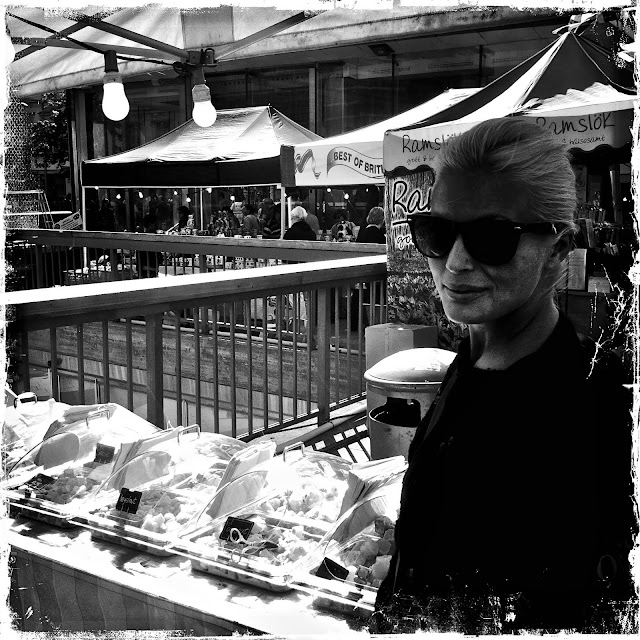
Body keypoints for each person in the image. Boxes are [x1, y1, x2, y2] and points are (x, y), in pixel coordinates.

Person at [371, 118, 635, 634]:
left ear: (557, 250)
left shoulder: (585, 410)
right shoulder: (473, 360)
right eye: (437, 233)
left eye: (492, 237)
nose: (455, 263)